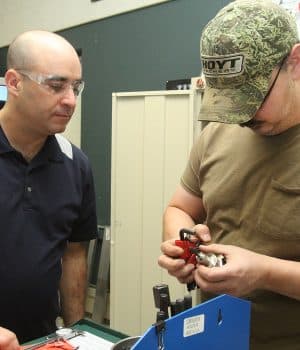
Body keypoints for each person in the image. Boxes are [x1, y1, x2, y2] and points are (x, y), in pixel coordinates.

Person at [158, 1, 300, 349]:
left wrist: (265, 272)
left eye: (251, 96)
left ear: (295, 63)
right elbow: (180, 208)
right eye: (227, 96)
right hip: (213, 337)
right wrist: (185, 245)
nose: (239, 116)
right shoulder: (217, 134)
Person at [0, 30, 98, 343]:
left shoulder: (75, 165)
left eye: (76, 87)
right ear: (14, 83)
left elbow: (73, 254)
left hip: (42, 340)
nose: (70, 100)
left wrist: (77, 334)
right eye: (56, 86)